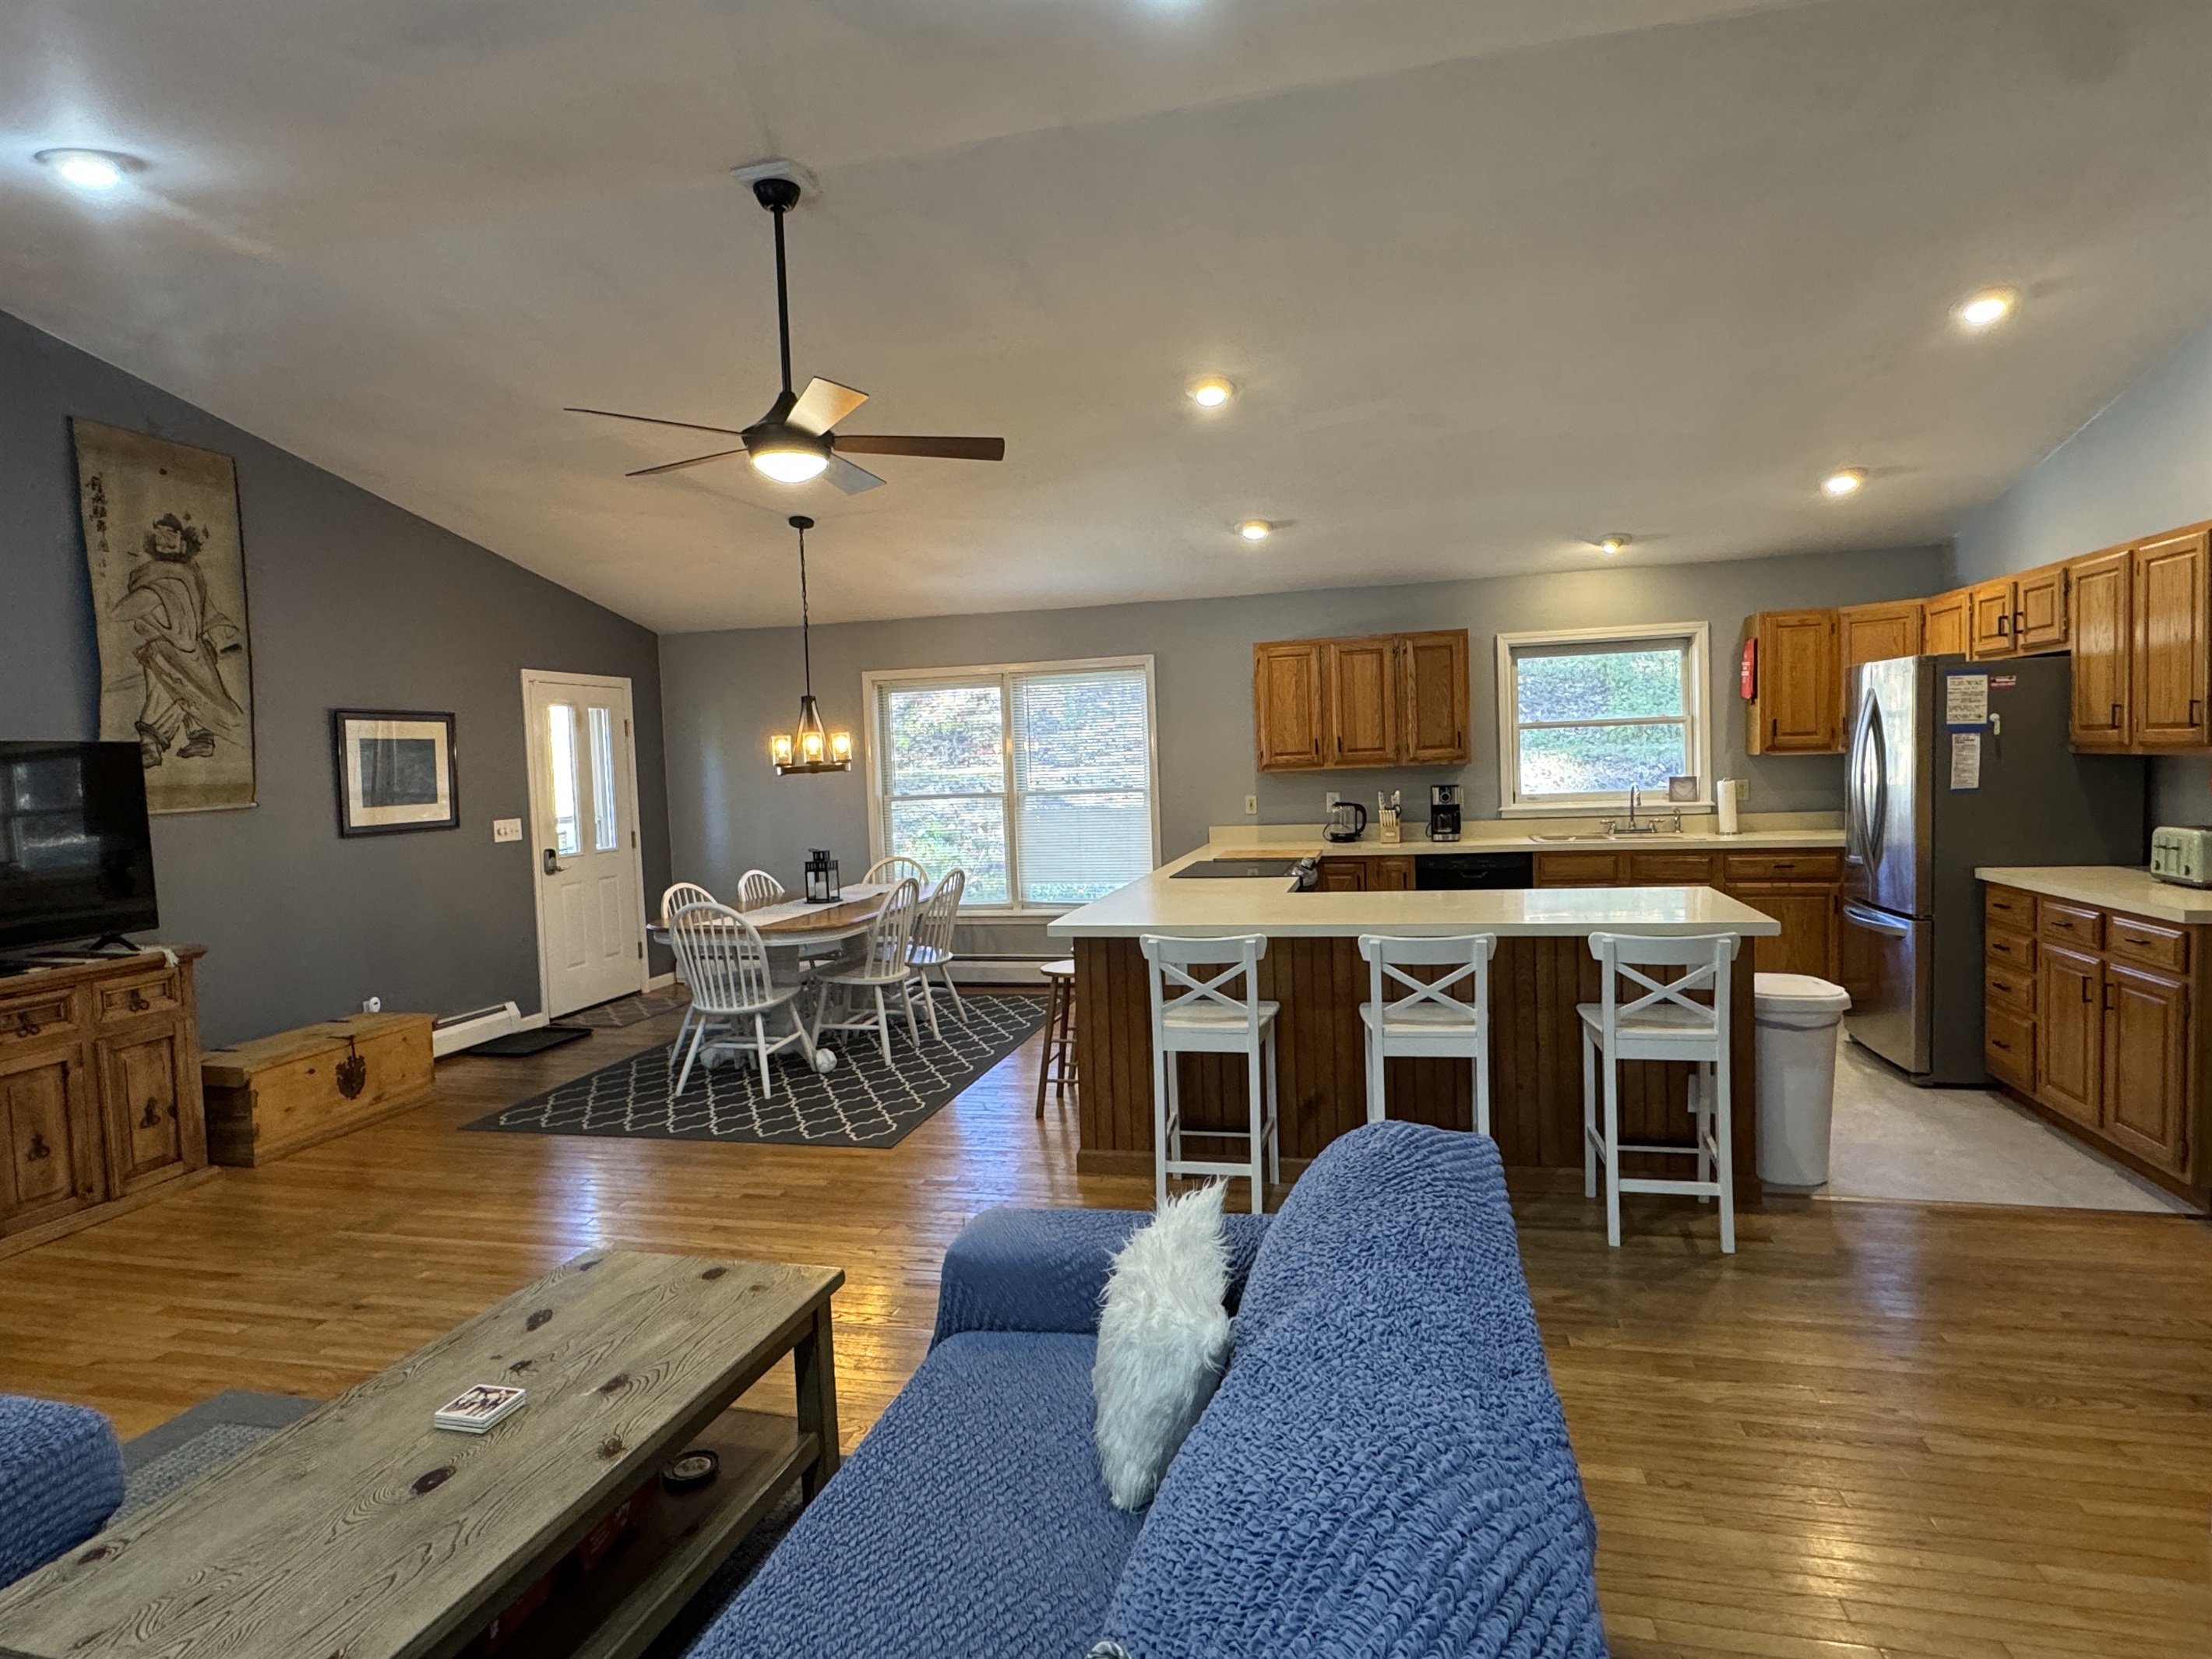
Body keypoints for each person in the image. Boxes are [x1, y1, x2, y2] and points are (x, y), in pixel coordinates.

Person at [109, 512, 247, 766]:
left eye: (171, 533)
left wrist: (222, 637)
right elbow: (128, 609)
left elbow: (206, 610)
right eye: (159, 533)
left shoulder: (190, 572)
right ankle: (158, 744)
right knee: (171, 691)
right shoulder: (150, 573)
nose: (164, 539)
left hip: (192, 648)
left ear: (184, 540)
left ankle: (187, 739)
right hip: (164, 648)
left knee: (188, 692)